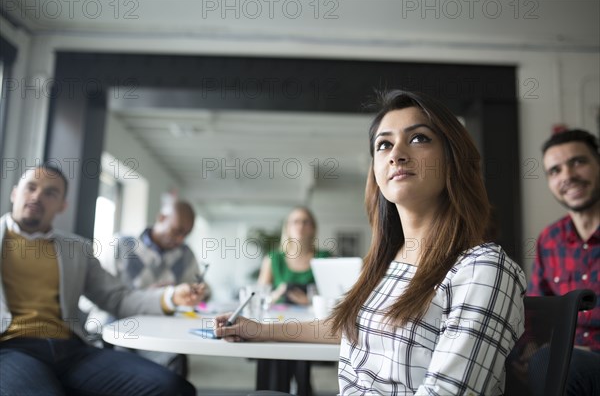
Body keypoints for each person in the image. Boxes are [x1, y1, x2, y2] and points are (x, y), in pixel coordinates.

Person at [215, 90, 526, 395]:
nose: (396, 154)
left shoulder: (482, 268)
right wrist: (259, 329)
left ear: (453, 159)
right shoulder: (385, 264)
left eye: (418, 138)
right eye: (384, 144)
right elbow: (350, 326)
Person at [0, 163, 198, 395]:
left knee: (174, 388)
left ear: (63, 205)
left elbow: (118, 297)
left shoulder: (77, 249)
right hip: (12, 348)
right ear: (15, 192)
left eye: (50, 192)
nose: (37, 196)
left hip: (71, 348)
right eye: (30, 187)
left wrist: (171, 297)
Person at [528, 128, 600, 395]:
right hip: (562, 360)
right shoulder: (550, 239)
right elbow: (536, 316)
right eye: (555, 170)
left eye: (578, 162)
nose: (568, 176)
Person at [105, 199, 210, 377]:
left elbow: (202, 293)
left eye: (186, 234)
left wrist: (194, 294)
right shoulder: (120, 245)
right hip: (118, 330)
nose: (180, 239)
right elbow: (102, 295)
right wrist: (153, 296)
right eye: (177, 231)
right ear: (161, 218)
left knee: (175, 368)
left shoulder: (185, 255)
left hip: (161, 332)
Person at [257, 206, 330, 306]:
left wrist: (309, 301)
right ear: (287, 228)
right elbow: (259, 297)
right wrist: (278, 293)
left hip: (313, 319)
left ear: (313, 228)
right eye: (295, 222)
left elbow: (333, 296)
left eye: (305, 222)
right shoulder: (273, 258)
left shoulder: (324, 258)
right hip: (279, 317)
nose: (300, 226)